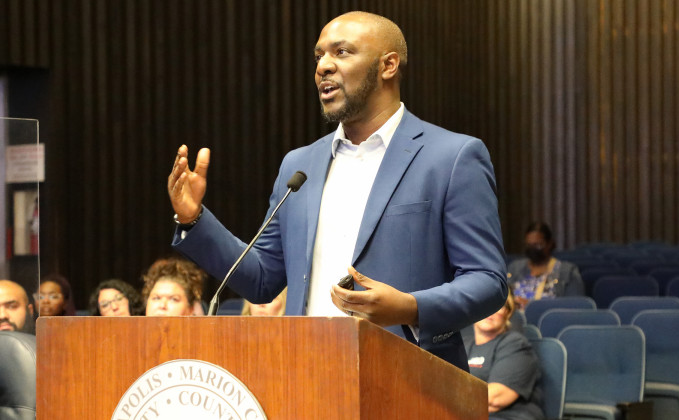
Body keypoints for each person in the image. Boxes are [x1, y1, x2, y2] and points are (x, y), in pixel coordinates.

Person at [167, 11, 507, 370]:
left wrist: (410, 307)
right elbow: (263, 278)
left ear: (388, 65)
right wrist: (193, 218)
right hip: (307, 375)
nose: (323, 67)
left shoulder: (451, 156)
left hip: (409, 379)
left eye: (341, 52)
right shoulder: (299, 166)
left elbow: (487, 280)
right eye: (319, 56)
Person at [465, 290, 545, 419]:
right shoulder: (464, 346)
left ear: (507, 313)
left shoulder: (516, 344)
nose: (490, 310)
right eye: (484, 304)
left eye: (497, 305)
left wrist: (448, 401)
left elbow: (495, 398)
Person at [507, 222, 584, 309]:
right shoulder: (515, 268)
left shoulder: (567, 271)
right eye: (529, 245)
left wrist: (532, 306)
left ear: (549, 244)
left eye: (538, 245)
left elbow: (575, 306)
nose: (533, 249)